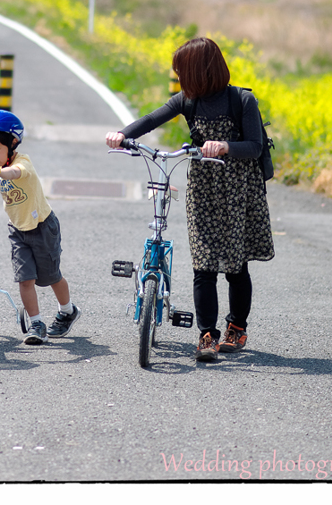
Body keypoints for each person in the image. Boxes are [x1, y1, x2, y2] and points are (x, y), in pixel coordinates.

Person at [105, 37, 274, 362]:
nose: (179, 77)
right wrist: (123, 134)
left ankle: (236, 328)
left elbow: (254, 146)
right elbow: (152, 119)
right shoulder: (188, 100)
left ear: (200, 70)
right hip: (203, 191)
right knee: (204, 265)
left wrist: (225, 146)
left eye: (182, 71)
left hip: (238, 191)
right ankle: (206, 336)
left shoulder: (242, 100)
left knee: (235, 266)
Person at [0, 109, 80, 345]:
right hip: (17, 230)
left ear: (12, 143)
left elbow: (14, 173)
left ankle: (67, 311)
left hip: (42, 227)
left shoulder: (22, 162)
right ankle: (36, 323)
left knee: (51, 277)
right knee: (25, 279)